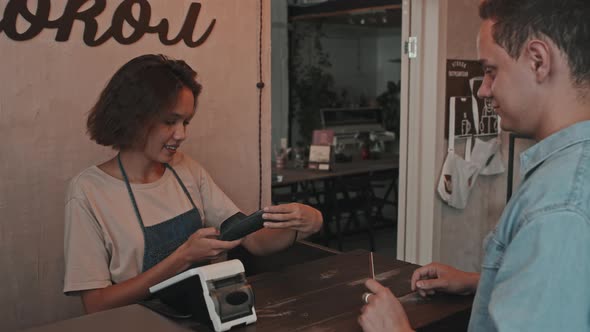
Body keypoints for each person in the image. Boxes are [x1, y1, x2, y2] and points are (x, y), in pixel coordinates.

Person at [359, 0, 590, 331]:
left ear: (538, 61)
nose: (483, 89)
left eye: (491, 70)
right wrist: (481, 282)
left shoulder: (558, 206)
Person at [63, 54, 323, 314]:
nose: (182, 134)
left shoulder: (185, 169)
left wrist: (304, 223)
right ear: (133, 116)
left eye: (185, 122)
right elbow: (96, 304)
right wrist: (183, 257)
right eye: (169, 121)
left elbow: (253, 241)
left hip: (201, 318)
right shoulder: (89, 191)